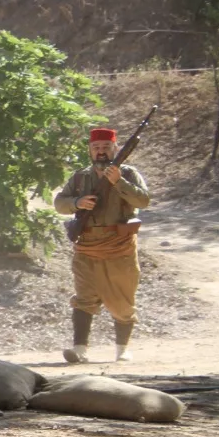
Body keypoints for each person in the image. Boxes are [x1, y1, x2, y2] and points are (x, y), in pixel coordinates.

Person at [53, 127, 152, 363]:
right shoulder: (80, 177)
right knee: (84, 298)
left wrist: (118, 182)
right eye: (96, 148)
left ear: (115, 149)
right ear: (90, 150)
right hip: (86, 246)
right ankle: (80, 349)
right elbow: (59, 203)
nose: (100, 152)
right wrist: (78, 202)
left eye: (106, 147)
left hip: (119, 247)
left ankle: (122, 349)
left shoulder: (128, 173)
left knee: (122, 299)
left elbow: (143, 200)